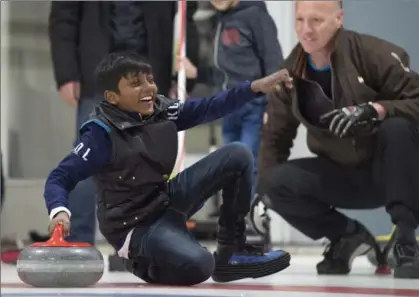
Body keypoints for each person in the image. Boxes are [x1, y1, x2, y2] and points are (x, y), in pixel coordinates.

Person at [44, 52, 293, 286]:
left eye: (149, 80)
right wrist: (59, 211)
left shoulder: (161, 110)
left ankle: (231, 252)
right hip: (136, 228)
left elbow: (209, 107)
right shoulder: (99, 133)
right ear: (113, 97)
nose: (148, 88)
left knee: (238, 154)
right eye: (135, 83)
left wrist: (254, 88)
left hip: (165, 199)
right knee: (202, 265)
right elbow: (60, 177)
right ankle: (143, 263)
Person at [256, 0, 419, 280]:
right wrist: (261, 197)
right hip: (340, 176)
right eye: (300, 20)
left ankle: (405, 239)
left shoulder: (373, 54)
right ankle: (346, 237)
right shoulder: (289, 74)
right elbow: (275, 137)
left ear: (338, 19)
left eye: (316, 20)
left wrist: (376, 110)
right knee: (270, 181)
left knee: (398, 128)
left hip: (391, 171)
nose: (306, 30)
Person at [48, 1, 200, 245]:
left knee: (147, 161)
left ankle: (140, 241)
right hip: (98, 71)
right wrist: (67, 72)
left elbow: (184, 15)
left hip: (151, 69)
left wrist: (182, 72)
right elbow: (64, 17)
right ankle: (75, 241)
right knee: (87, 157)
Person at [180, 0, 283, 186]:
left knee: (246, 165)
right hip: (229, 106)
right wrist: (197, 73)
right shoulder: (221, 19)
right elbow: (222, 71)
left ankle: (245, 212)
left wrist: (273, 106)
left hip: (253, 107)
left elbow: (273, 63)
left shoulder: (255, 16)